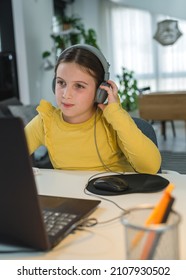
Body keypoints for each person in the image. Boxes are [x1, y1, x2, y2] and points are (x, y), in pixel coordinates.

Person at [25, 44, 161, 174]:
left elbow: (150, 168)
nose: (66, 95)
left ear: (100, 91)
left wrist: (116, 114)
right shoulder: (45, 122)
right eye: (61, 83)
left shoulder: (112, 122)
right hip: (72, 196)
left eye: (79, 86)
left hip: (118, 196)